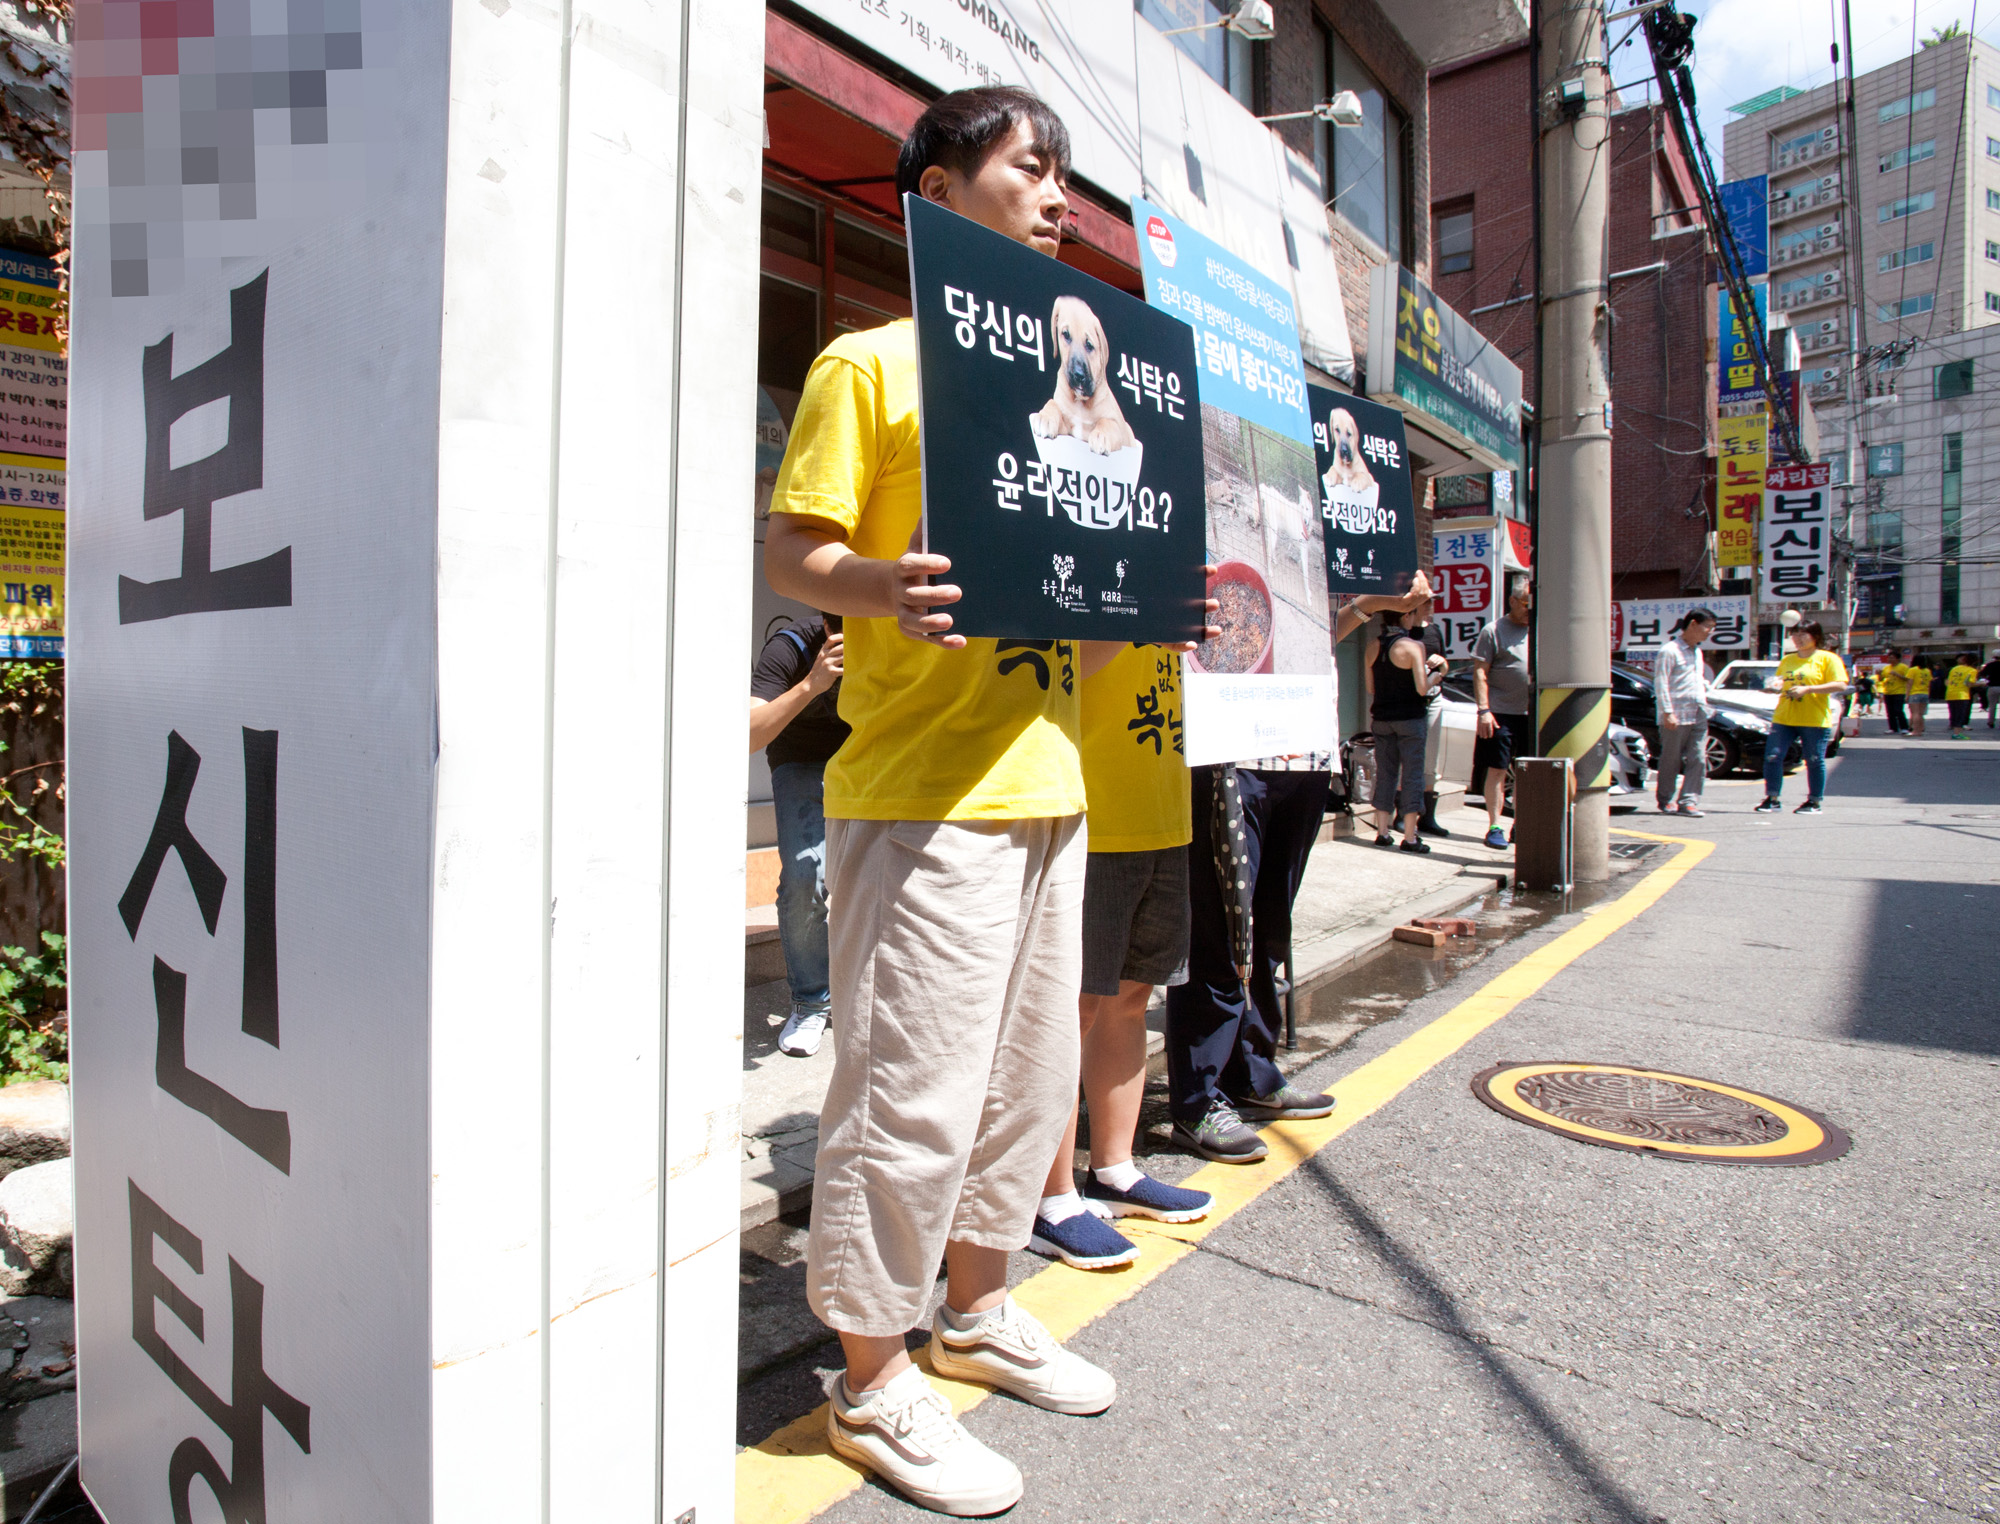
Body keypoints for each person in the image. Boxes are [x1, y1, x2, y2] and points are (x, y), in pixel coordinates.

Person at [763, 88, 1123, 1515]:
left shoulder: (1066, 400)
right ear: (938, 184)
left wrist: (1142, 603)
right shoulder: (873, 365)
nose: (1057, 199)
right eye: (1030, 168)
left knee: (1022, 1090)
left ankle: (973, 1311)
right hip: (919, 791)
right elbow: (797, 547)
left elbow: (1077, 610)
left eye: (1064, 178)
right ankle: (870, 1379)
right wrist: (875, 585)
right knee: (907, 1097)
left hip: (1049, 781)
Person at [1168, 574, 1433, 1165]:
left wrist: (1370, 601)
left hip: (1304, 745)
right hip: (1228, 746)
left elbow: (1312, 636)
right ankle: (1199, 1097)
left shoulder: (1321, 548)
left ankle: (1255, 1075)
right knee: (1219, 924)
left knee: (1270, 924)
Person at [1028, 644, 1213, 1272]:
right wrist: (1146, 613)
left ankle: (1114, 1168)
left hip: (1165, 807)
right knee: (1071, 1009)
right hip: (1090, 812)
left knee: (1132, 999)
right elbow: (1063, 665)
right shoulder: (1101, 565)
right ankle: (1048, 1196)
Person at [749, 615, 848, 1056]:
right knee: (805, 877)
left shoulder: (895, 641)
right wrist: (813, 683)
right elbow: (747, 733)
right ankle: (811, 1003)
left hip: (867, 759)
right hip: (800, 759)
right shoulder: (790, 645)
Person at [1755, 620, 1848, 815]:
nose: (1798, 639)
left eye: (1803, 634)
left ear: (1815, 636)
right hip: (1785, 716)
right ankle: (1772, 798)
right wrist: (1773, 687)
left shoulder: (1827, 659)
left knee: (1814, 760)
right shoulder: (1788, 660)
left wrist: (1809, 689)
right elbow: (1781, 682)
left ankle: (1814, 801)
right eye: (1795, 635)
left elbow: (1840, 685)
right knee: (1773, 756)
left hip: (1813, 718)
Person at [1471, 572, 1534, 850]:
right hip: (1500, 713)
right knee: (1497, 769)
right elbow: (1480, 673)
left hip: (1532, 713)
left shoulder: (1540, 629)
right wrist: (1484, 710)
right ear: (1512, 600)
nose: (1528, 609)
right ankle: (1494, 825)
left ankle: (1522, 823)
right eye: (1524, 603)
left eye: (1532, 604)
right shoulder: (1493, 630)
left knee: (1527, 770)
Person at [1368, 608, 1439, 853]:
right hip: (1410, 718)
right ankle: (1409, 837)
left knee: (1385, 773)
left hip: (1382, 718)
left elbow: (1370, 687)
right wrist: (1437, 676)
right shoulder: (1413, 647)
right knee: (1412, 775)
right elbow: (1422, 688)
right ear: (1406, 616)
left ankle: (1382, 832)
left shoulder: (1372, 646)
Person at [1652, 608, 1715, 817]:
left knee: (1698, 756)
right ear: (1693, 624)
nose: (1709, 632)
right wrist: (1667, 712)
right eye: (1708, 627)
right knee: (1671, 758)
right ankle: (1666, 800)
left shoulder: (1697, 651)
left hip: (1698, 711)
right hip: (1676, 714)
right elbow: (1661, 683)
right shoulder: (1669, 650)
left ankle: (1689, 800)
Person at [1946, 655, 1980, 739]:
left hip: (1950, 693)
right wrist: (1982, 683)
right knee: (1960, 715)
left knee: (1954, 714)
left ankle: (1956, 732)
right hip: (1962, 694)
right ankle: (1957, 734)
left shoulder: (1954, 669)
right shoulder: (1972, 670)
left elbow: (1948, 681)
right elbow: (1969, 684)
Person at [1877, 654, 1909, 734]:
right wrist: (1879, 674)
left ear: (1897, 658)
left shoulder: (1903, 667)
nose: (1889, 659)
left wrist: (1897, 674)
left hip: (1899, 691)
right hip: (1888, 692)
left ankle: (1904, 727)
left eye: (1892, 657)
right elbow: (1881, 679)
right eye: (1889, 658)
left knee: (1898, 710)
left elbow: (1907, 678)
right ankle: (1893, 728)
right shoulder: (1886, 668)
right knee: (1890, 711)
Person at [1907, 656, 1933, 737]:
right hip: (1924, 693)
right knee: (1921, 714)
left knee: (1915, 713)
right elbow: (1929, 683)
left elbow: (1909, 683)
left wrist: (1907, 695)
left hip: (1915, 693)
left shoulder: (1912, 670)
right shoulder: (1927, 671)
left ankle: (1915, 731)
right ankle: (1920, 730)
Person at [1979, 652, 2000, 729]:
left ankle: (1991, 722)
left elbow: (1982, 673)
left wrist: (1988, 678)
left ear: (1994, 657)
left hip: (1992, 686)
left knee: (1992, 705)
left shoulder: (1990, 665)